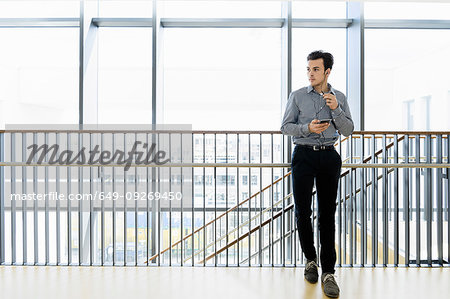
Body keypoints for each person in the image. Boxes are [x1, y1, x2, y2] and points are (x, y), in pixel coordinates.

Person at [280, 50, 354, 298]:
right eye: (308, 69)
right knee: (302, 211)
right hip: (303, 155)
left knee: (327, 214)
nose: (310, 74)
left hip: (329, 156)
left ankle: (329, 272)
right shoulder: (298, 96)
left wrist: (336, 110)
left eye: (316, 69)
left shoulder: (339, 97)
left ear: (327, 71)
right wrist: (307, 128)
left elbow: (348, 130)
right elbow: (285, 127)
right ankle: (310, 260)